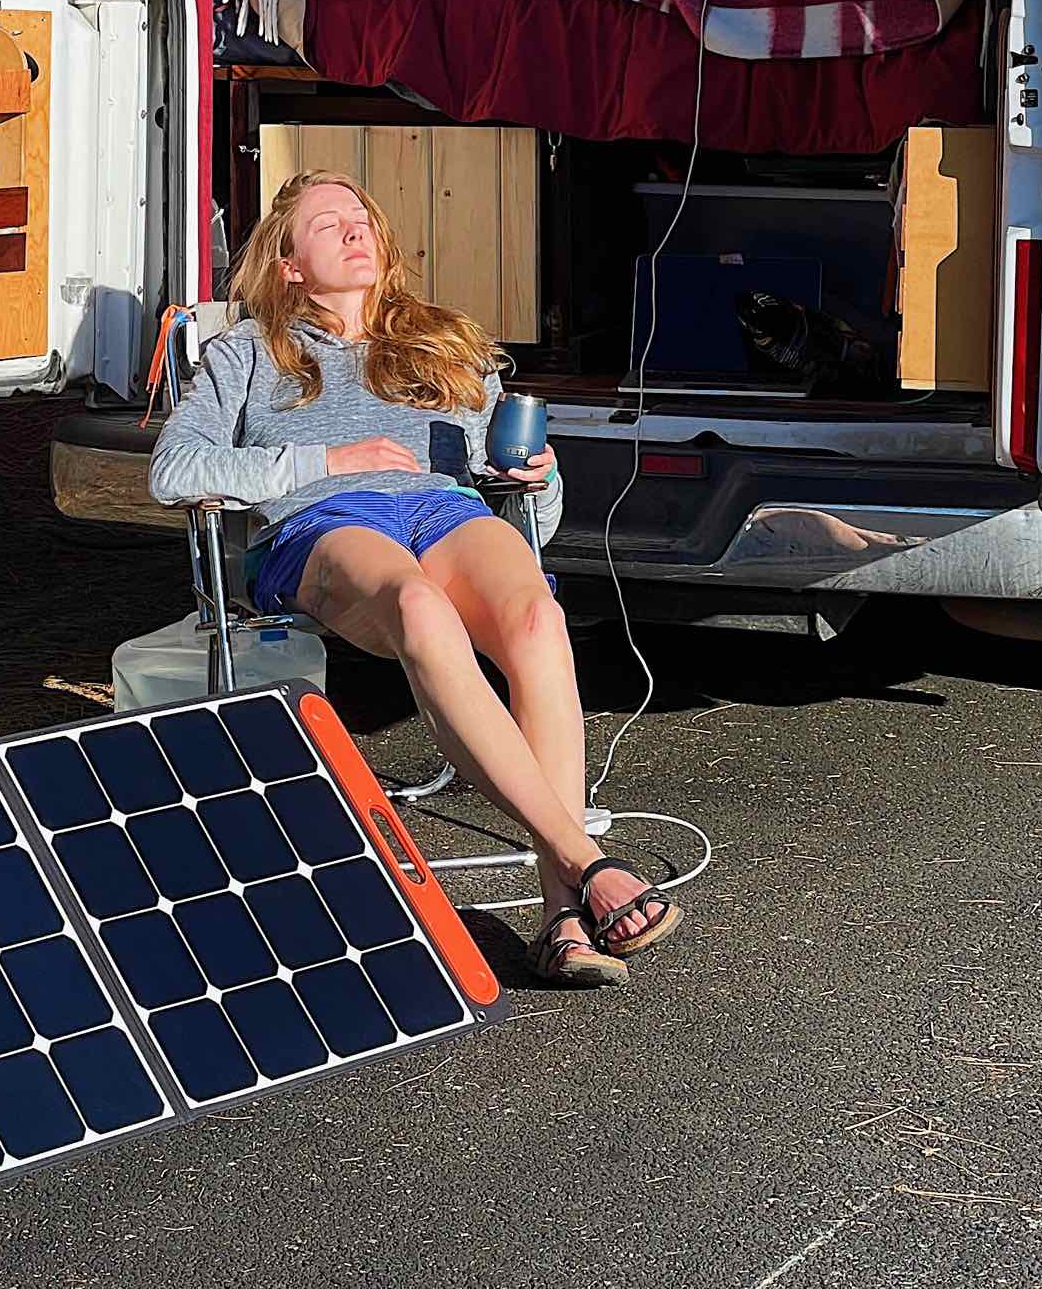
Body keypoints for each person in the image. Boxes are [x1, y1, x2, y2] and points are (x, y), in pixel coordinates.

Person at [149, 170, 682, 987]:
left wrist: (539, 480)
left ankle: (561, 918)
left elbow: (524, 515)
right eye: (328, 225)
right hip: (325, 522)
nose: (355, 230)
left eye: (361, 218)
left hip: (445, 512)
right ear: (289, 264)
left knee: (538, 619)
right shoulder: (248, 352)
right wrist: (328, 459)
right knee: (417, 607)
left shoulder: (444, 342)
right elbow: (173, 470)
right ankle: (586, 860)